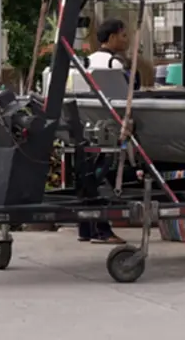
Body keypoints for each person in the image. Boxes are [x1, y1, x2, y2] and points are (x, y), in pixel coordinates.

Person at [77, 18, 150, 245]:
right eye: (123, 35)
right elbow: (129, 94)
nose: (126, 40)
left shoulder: (87, 61)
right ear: (111, 38)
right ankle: (102, 230)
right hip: (111, 129)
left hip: (90, 126)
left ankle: (86, 228)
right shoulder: (114, 64)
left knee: (89, 176)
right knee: (104, 179)